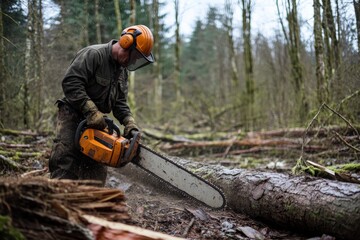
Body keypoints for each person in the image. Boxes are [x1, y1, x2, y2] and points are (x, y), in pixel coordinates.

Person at [49, 25, 154, 186]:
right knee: (66, 162)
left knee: (96, 174)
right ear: (126, 43)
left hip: (97, 123)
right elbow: (71, 82)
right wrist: (90, 110)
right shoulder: (94, 54)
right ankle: (57, 202)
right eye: (134, 56)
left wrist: (129, 122)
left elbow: (119, 102)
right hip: (73, 116)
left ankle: (90, 207)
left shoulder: (122, 71)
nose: (133, 61)